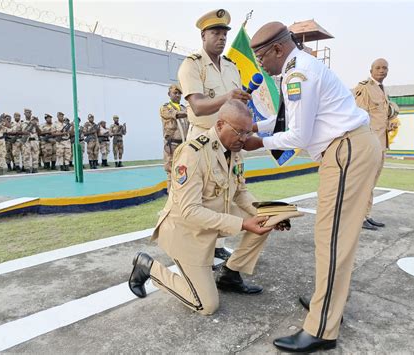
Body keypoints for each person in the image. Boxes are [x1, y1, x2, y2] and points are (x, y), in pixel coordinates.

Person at [246, 22, 381, 353]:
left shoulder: (297, 75)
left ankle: (323, 328)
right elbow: (288, 122)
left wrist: (256, 141)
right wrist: (252, 125)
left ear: (278, 49)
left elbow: (298, 137)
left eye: (261, 56)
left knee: (332, 238)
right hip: (348, 149)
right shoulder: (300, 67)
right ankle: (328, 306)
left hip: (347, 150)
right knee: (334, 236)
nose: (260, 64)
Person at [129, 100, 276, 316]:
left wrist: (266, 213)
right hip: (187, 232)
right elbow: (190, 211)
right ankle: (148, 267)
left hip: (214, 219)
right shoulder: (193, 153)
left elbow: (240, 192)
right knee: (206, 305)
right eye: (239, 132)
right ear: (219, 125)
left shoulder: (234, 148)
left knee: (265, 220)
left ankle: (229, 274)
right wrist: (243, 223)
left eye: (247, 132)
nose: (244, 139)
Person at [177, 8, 251, 260]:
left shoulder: (231, 67)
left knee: (226, 193)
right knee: (203, 197)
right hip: (203, 138)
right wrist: (227, 97)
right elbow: (197, 105)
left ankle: (217, 247)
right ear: (203, 35)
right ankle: (199, 249)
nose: (221, 38)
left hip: (229, 140)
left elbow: (236, 105)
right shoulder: (192, 65)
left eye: (224, 34)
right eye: (215, 33)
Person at [354, 58, 399, 231]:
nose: (382, 70)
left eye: (385, 68)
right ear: (371, 70)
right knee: (364, 181)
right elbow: (359, 116)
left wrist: (390, 122)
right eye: (378, 68)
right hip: (369, 143)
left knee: (372, 181)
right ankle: (358, 217)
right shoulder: (364, 88)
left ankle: (366, 215)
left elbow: (381, 115)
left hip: (381, 142)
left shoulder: (383, 90)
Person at [160, 84, 189, 190]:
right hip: (172, 144)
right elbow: (176, 115)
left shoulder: (184, 108)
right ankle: (170, 197)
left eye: (179, 93)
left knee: (182, 169)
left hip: (184, 144)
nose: (177, 95)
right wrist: (190, 112)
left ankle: (180, 194)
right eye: (175, 93)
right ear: (169, 94)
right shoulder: (165, 108)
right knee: (171, 171)